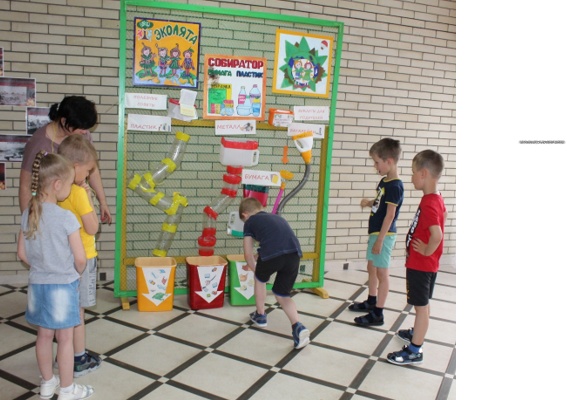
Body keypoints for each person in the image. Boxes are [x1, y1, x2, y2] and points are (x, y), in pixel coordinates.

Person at [17, 152, 95, 400]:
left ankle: (47, 383)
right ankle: (67, 390)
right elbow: (80, 259)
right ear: (57, 184)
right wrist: (75, 274)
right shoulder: (65, 217)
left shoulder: (28, 213)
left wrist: (43, 268)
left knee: (43, 335)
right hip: (62, 285)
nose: (71, 188)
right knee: (65, 339)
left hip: (37, 285)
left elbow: (21, 253)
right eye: (70, 183)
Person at [387, 149, 446, 366]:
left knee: (421, 307)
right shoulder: (436, 198)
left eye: (413, 172)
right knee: (423, 304)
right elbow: (443, 216)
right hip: (427, 265)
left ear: (423, 174)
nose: (411, 177)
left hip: (421, 265)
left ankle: (414, 350)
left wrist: (426, 251)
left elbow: (437, 235)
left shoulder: (429, 202)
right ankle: (417, 332)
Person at [18, 96, 112, 225]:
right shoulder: (39, 143)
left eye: (86, 128)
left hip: (76, 208)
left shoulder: (83, 136)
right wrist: (28, 223)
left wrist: (103, 202)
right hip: (48, 213)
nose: (85, 132)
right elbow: (25, 185)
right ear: (64, 121)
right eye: (81, 128)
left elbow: (92, 170)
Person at [57, 135, 102, 377]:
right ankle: (79, 358)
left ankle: (63, 354)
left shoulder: (54, 191)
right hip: (82, 257)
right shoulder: (78, 193)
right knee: (78, 312)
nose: (88, 175)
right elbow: (93, 228)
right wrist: (90, 199)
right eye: (87, 170)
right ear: (75, 167)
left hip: (62, 259)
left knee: (64, 310)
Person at [239, 197, 310, 350]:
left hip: (272, 255)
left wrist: (255, 270)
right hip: (294, 255)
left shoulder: (249, 222)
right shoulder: (276, 218)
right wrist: (256, 259)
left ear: (245, 215)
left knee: (260, 280)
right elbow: (276, 243)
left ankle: (260, 315)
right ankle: (298, 326)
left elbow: (247, 254)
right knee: (283, 295)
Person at [349, 138, 404, 327]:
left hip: (384, 235)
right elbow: (382, 203)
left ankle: (378, 313)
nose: (375, 166)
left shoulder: (395, 186)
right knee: (371, 267)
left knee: (382, 272)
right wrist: (370, 203)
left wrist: (380, 240)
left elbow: (390, 215)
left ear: (389, 161)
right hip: (376, 233)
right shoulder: (384, 182)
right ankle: (372, 300)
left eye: (377, 162)